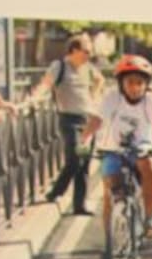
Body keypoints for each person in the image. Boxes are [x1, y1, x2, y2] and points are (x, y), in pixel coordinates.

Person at [83, 53, 152, 241]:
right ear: (121, 83)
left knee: (150, 166)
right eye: (130, 82)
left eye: (140, 83)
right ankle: (110, 242)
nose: (135, 87)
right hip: (113, 149)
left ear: (146, 84)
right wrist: (84, 140)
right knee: (110, 192)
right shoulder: (112, 97)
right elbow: (97, 120)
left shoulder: (151, 100)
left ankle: (150, 220)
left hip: (141, 148)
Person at [31, 33, 103, 216]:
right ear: (74, 50)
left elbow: (100, 80)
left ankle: (80, 205)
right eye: (86, 51)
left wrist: (94, 97)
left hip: (88, 120)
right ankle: (56, 191)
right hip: (69, 119)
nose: (89, 55)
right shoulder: (60, 66)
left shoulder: (88, 68)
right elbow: (46, 84)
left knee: (84, 163)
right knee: (74, 159)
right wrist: (35, 98)